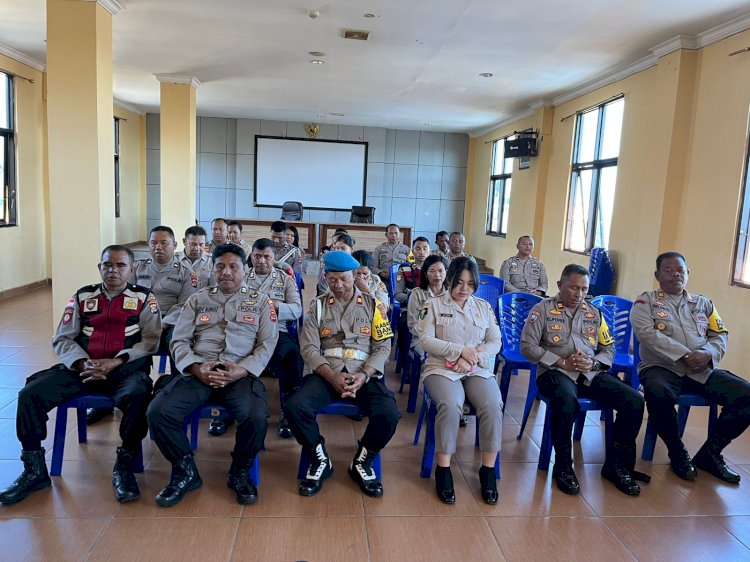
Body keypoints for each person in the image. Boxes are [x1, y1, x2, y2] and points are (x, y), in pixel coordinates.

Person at [0, 246, 161, 505]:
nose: (113, 270)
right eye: (107, 265)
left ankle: (124, 466)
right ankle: (34, 470)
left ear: (132, 270)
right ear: (99, 267)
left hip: (124, 369)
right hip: (82, 369)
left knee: (140, 394)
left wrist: (116, 361)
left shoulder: (144, 298)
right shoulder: (83, 296)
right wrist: (82, 363)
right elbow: (62, 338)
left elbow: (152, 340)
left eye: (120, 266)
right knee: (30, 394)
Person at [147, 244, 278, 507]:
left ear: (245, 270)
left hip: (239, 373)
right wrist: (196, 368)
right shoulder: (197, 299)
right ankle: (185, 471)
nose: (226, 272)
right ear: (213, 269)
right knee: (159, 412)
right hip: (200, 371)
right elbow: (179, 340)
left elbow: (268, 342)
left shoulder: (262, 302)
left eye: (233, 267)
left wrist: (243, 369)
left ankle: (239, 471)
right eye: (220, 267)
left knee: (256, 416)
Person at [520, 264, 646, 496]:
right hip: (554, 373)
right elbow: (527, 346)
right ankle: (564, 466)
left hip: (589, 373)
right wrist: (561, 362)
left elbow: (608, 348)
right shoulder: (542, 310)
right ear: (560, 285)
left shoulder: (594, 313)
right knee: (567, 401)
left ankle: (616, 466)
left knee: (634, 400)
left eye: (584, 289)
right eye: (573, 288)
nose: (578, 294)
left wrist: (594, 363)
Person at [284, 251, 400, 498]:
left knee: (389, 412)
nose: (338, 285)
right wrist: (331, 377)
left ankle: (363, 460)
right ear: (326, 277)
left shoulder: (373, 306)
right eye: (333, 279)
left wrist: (365, 375)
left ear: (354, 276)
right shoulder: (317, 306)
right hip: (328, 373)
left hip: (363, 374)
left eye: (344, 279)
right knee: (294, 406)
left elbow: (383, 347)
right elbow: (309, 348)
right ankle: (319, 457)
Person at [630, 252, 750, 484]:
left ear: (687, 274)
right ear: (657, 275)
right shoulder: (645, 302)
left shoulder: (703, 304)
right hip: (660, 367)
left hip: (700, 369)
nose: (676, 274)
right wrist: (684, 354)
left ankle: (710, 454)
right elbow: (647, 334)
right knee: (658, 395)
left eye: (681, 270)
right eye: (669, 270)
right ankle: (677, 452)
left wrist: (709, 354)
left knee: (746, 394)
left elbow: (720, 334)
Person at [87, 225, 196, 425]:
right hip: (136, 322)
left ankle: (175, 398)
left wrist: (162, 323)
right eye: (154, 243)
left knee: (180, 342)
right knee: (107, 336)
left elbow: (185, 305)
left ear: (174, 245)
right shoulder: (138, 267)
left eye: (164, 243)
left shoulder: (187, 273)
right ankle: (109, 400)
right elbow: (123, 293)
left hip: (169, 325)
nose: (158, 248)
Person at [417, 257, 503, 505]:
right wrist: (459, 351)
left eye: (470, 283)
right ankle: (443, 468)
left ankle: (487, 469)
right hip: (441, 369)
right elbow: (426, 340)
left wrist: (473, 357)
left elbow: (495, 341)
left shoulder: (483, 307)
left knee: (492, 403)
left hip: (475, 368)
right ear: (449, 280)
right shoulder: (431, 305)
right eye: (459, 282)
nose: (464, 289)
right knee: (451, 403)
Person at [207, 238, 303, 439]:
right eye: (257, 256)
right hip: (244, 331)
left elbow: (297, 310)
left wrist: (276, 306)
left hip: (278, 331)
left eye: (266, 257)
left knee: (293, 354)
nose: (261, 261)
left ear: (273, 257)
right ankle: (224, 411)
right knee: (224, 349)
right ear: (251, 257)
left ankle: (289, 410)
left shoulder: (285, 280)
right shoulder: (241, 276)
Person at [407, 255, 448, 354]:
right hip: (423, 339)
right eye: (432, 271)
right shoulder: (417, 294)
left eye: (440, 271)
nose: (437, 275)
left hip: (447, 338)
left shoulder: (451, 294)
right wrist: (432, 337)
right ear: (425, 274)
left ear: (446, 272)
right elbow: (413, 324)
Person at [393, 237, 431, 305]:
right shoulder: (404, 269)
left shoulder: (434, 271)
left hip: (432, 307)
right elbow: (397, 295)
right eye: (418, 248)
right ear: (412, 251)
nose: (421, 252)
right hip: (410, 307)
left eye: (425, 249)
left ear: (429, 251)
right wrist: (415, 298)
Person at [180, 225, 213, 290]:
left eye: (201, 245)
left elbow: (214, 288)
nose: (197, 248)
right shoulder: (173, 260)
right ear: (184, 241)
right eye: (193, 244)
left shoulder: (211, 261)